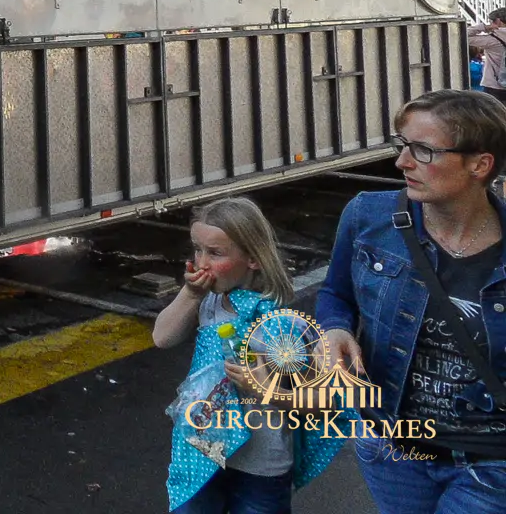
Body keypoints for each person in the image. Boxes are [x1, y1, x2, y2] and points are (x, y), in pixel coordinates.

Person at [318, 89, 506, 509]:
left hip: (491, 463)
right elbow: (335, 293)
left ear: (480, 165)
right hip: (390, 448)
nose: (402, 162)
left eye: (423, 150)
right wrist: (333, 329)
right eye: (402, 145)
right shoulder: (368, 216)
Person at [155, 197, 340, 512]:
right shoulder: (210, 302)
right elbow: (162, 337)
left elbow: (321, 402)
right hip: (203, 451)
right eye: (197, 250)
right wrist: (190, 293)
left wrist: (264, 389)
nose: (201, 263)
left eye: (215, 253)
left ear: (253, 258)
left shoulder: (279, 325)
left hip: (260, 466)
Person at [467, 11, 506, 103]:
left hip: (495, 85)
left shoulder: (493, 40)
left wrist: (484, 27)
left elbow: (462, 34)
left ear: (498, 21)